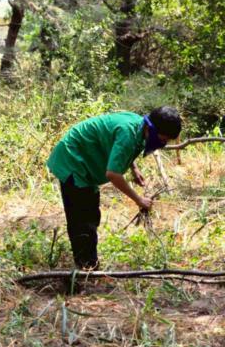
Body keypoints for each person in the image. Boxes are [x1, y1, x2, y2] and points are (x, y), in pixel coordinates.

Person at [47, 107, 182, 270]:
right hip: (72, 159)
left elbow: (121, 148)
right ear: (151, 128)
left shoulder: (139, 126)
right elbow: (113, 174)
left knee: (91, 214)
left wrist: (133, 168)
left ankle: (88, 263)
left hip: (85, 160)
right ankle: (85, 267)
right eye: (163, 139)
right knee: (82, 218)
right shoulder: (128, 133)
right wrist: (139, 200)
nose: (163, 143)